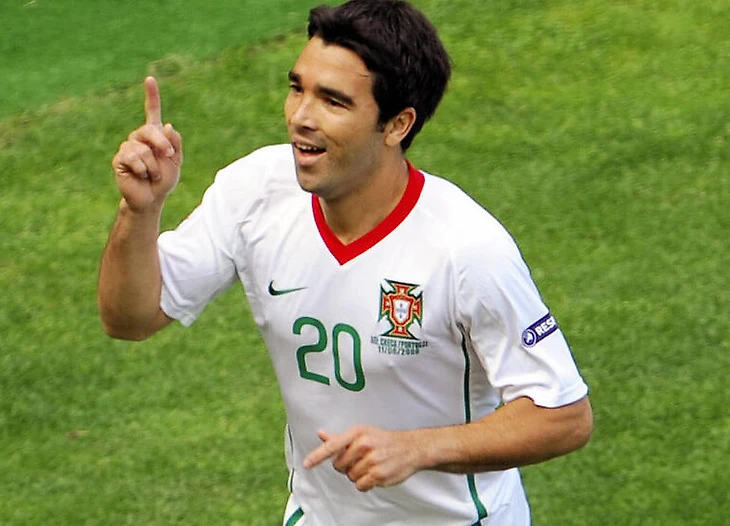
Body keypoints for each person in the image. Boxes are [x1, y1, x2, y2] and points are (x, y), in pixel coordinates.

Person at [98, 0, 593, 524]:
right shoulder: (256, 192)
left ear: (397, 124)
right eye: (298, 89)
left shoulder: (466, 248)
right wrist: (140, 211)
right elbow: (130, 318)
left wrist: (419, 448)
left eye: (333, 101)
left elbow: (564, 415)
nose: (301, 117)